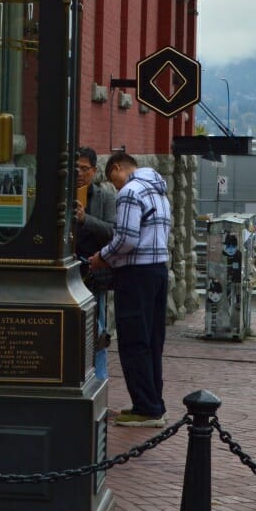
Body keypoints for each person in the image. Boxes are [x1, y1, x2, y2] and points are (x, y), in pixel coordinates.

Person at [88, 152, 171, 427]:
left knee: (134, 340)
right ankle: (154, 402)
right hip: (158, 270)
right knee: (152, 340)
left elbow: (126, 238)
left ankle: (145, 408)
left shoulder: (130, 191)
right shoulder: (159, 191)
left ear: (117, 168)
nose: (114, 186)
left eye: (112, 178)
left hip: (135, 274)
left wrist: (102, 256)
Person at [73, 147, 117, 382]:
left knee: (97, 328)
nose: (79, 173)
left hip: (93, 271)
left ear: (94, 171)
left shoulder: (105, 197)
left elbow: (113, 232)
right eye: (75, 168)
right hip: (68, 271)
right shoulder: (62, 194)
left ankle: (100, 379)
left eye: (84, 168)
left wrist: (85, 219)